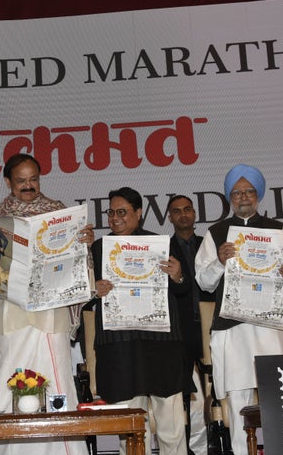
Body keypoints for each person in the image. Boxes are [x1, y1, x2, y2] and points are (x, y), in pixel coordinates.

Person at [0, 153, 93, 455]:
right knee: (10, 385)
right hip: (11, 314)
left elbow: (77, 267)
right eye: (21, 180)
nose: (28, 186)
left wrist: (84, 243)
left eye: (33, 179)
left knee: (56, 386)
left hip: (50, 315)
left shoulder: (58, 213)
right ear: (8, 182)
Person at [195, 164, 283, 455]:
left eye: (249, 192)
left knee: (281, 395)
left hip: (272, 327)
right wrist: (219, 261)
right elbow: (203, 282)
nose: (243, 197)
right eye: (237, 193)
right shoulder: (216, 232)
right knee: (238, 398)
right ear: (229, 197)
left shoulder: (279, 231)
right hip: (233, 326)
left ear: (258, 195)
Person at [91, 187, 188, 455]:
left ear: (138, 213)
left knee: (171, 426)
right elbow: (83, 295)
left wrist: (178, 275)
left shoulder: (162, 245)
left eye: (122, 212)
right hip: (118, 346)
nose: (115, 218)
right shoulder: (98, 249)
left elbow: (184, 290)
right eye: (111, 212)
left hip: (160, 344)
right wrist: (93, 290)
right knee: (130, 428)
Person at [168, 195, 213, 455]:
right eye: (177, 211)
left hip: (210, 328)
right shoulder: (164, 248)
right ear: (170, 218)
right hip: (181, 330)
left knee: (218, 389)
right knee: (181, 394)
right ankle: (184, 448)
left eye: (187, 209)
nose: (183, 215)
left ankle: (220, 443)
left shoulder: (210, 244)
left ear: (194, 213)